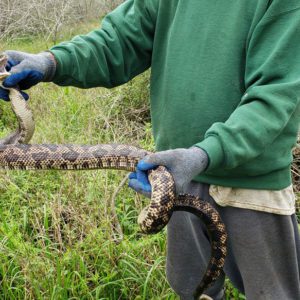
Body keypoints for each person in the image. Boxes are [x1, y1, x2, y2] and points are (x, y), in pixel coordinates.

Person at [1, 1, 300, 299]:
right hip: (176, 173)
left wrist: (204, 155)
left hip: (251, 186)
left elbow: (274, 97)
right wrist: (51, 61)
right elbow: (119, 40)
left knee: (274, 294)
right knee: (194, 290)